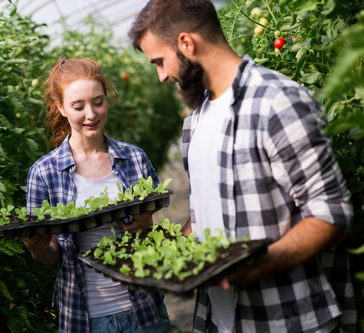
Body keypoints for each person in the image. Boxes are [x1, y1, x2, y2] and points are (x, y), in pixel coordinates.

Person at [128, 1, 357, 332]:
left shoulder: (276, 102)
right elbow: (206, 215)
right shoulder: (194, 123)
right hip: (217, 319)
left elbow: (331, 215)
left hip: (285, 318)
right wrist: (164, 247)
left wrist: (251, 267)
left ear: (186, 43)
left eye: (160, 62)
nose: (162, 75)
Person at [22, 58, 171, 333]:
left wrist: (145, 228)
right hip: (85, 319)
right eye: (78, 106)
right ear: (61, 107)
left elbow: (150, 234)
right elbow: (52, 256)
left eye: (98, 102)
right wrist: (36, 246)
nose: (91, 114)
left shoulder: (134, 159)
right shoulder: (43, 173)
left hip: (144, 312)